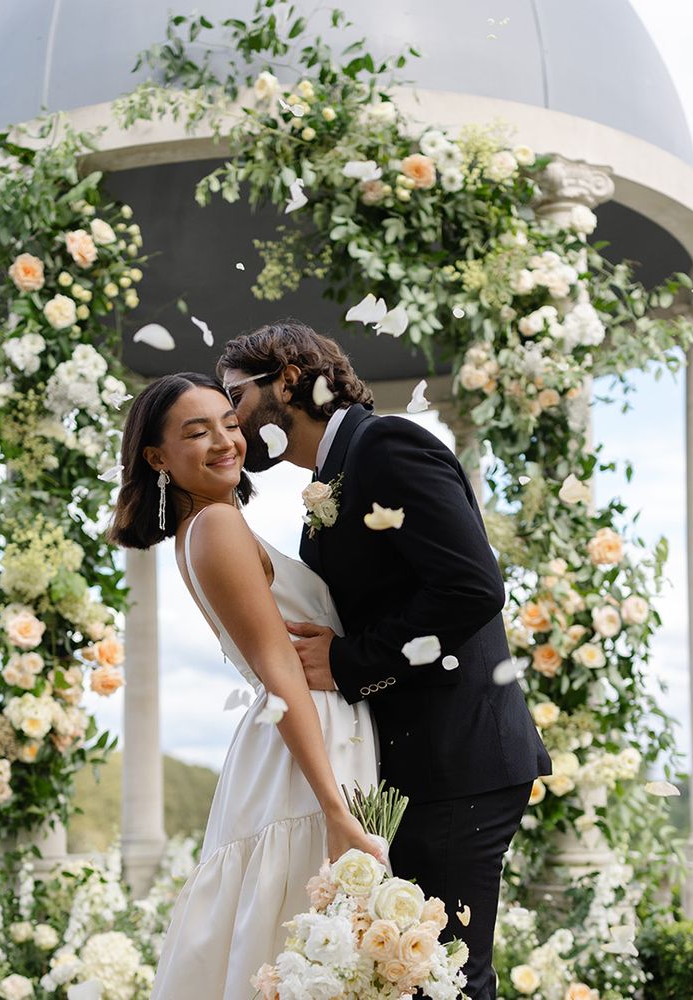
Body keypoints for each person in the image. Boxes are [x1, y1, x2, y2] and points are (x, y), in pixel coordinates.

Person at [218, 320, 553, 1000]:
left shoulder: (388, 445)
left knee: (448, 980)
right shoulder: (332, 475)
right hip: (409, 764)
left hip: (457, 760)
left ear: (288, 379)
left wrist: (349, 662)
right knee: (409, 975)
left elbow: (474, 587)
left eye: (235, 398)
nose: (229, 420)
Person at [108, 372, 381, 1000]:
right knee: (303, 948)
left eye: (229, 424)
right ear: (158, 458)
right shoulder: (215, 528)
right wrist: (336, 810)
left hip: (310, 739)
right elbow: (279, 669)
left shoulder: (209, 527)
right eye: (197, 432)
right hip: (306, 754)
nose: (225, 440)